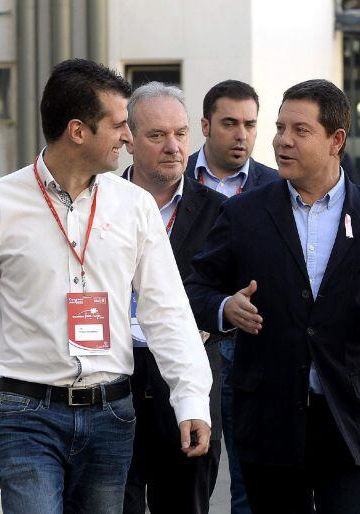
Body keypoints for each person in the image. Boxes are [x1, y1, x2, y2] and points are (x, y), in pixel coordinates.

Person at [0, 59, 212, 514]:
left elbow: (168, 313)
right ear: (78, 131)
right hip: (27, 416)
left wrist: (191, 399)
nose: (128, 136)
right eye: (120, 125)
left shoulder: (135, 207)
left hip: (112, 415)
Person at [186, 79, 360, 514]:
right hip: (270, 419)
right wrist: (223, 307)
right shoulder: (243, 214)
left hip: (348, 419)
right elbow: (195, 287)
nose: (281, 141)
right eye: (279, 128)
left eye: (299, 130)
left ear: (336, 140)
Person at [122, 82, 227, 514]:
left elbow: (237, 298)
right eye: (157, 135)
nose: (173, 146)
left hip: (189, 380)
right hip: (114, 381)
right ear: (128, 140)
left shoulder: (222, 214)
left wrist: (218, 317)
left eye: (181, 134)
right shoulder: (96, 207)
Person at [185, 79, 278, 514]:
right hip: (189, 350)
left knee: (254, 482)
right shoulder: (172, 178)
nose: (242, 134)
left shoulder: (277, 187)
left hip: (254, 353)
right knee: (189, 481)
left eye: (250, 124)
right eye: (229, 123)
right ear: (205, 125)